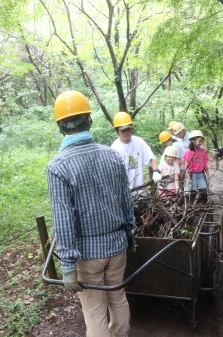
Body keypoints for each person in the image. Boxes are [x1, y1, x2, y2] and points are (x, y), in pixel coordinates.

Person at [47, 91, 135, 337]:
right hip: (117, 247)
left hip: (88, 255)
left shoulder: (58, 167)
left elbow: (63, 220)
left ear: (60, 127)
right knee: (117, 297)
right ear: (90, 121)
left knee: (94, 311)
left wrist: (67, 266)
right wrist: (130, 232)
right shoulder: (113, 155)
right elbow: (126, 201)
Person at [111, 112, 162, 194]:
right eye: (123, 130)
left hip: (141, 192)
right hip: (125, 193)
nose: (126, 132)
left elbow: (152, 158)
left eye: (128, 129)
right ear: (117, 131)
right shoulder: (114, 148)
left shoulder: (139, 142)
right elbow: (113, 174)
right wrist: (123, 185)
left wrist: (156, 171)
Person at [183, 130, 210, 203]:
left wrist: (208, 175)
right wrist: (188, 179)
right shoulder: (188, 152)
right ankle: (193, 208)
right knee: (193, 192)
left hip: (201, 174)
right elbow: (186, 167)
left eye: (201, 141)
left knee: (203, 190)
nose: (200, 143)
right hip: (192, 174)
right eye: (199, 141)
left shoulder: (203, 150)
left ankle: (204, 206)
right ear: (193, 141)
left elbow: (205, 164)